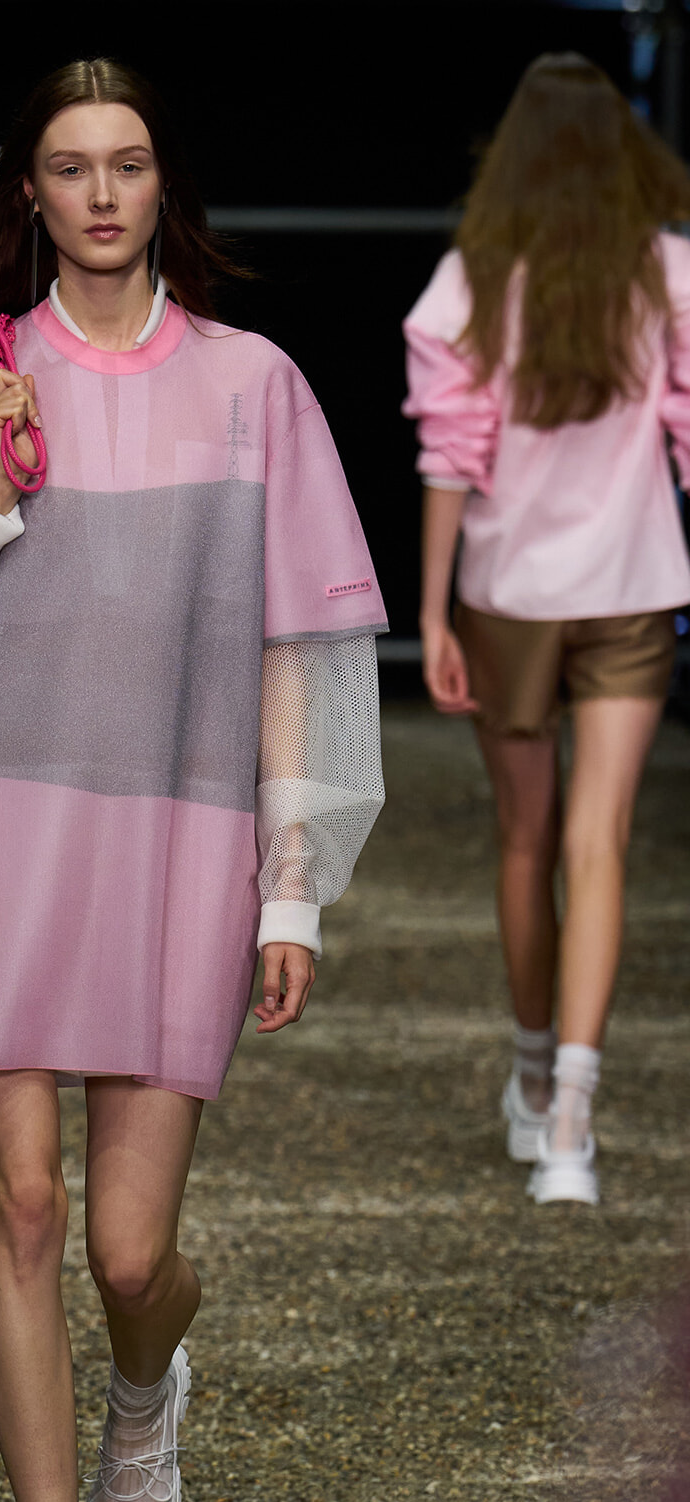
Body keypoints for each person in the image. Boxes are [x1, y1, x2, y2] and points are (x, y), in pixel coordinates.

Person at [0, 58, 386, 1502]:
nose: (97, 193)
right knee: (18, 1206)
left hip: (177, 831)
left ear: (162, 187)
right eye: (68, 166)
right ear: (31, 195)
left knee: (131, 1254)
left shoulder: (255, 384)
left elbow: (301, 635)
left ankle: (149, 1386)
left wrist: (291, 888)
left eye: (126, 163)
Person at [403, 53, 690, 1207]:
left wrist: (429, 612)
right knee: (599, 843)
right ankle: (570, 1124)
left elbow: (445, 459)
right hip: (628, 586)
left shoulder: (473, 279)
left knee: (527, 844)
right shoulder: (669, 274)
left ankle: (533, 1080)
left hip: (509, 593)